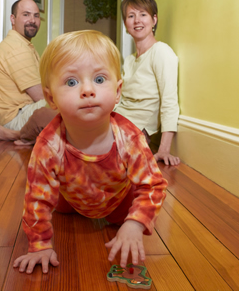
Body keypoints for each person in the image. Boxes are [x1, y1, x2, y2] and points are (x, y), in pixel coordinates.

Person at [13, 30, 168, 275]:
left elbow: (153, 185)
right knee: (56, 205)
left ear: (118, 91)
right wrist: (39, 245)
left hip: (118, 202)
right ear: (50, 98)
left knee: (126, 215)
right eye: (72, 82)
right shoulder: (48, 145)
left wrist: (135, 223)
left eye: (99, 79)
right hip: (68, 200)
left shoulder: (129, 138)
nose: (87, 90)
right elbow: (37, 198)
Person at [114, 0, 180, 166]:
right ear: (125, 23)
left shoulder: (161, 52)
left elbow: (169, 100)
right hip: (115, 118)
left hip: (136, 128)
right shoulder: (129, 60)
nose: (137, 20)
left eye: (143, 14)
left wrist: (164, 149)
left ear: (154, 20)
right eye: (131, 16)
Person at [0, 0, 49, 141]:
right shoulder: (17, 48)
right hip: (17, 119)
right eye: (26, 14)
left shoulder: (24, 45)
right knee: (67, 102)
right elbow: (40, 96)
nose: (32, 20)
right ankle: (17, 135)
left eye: (36, 15)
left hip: (27, 111)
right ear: (13, 18)